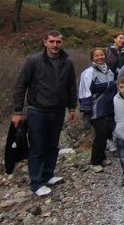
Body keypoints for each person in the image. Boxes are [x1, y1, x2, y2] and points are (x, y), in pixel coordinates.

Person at [11, 30, 77, 197]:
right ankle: (36, 182)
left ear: (62, 43)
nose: (55, 45)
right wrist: (18, 111)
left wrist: (72, 107)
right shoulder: (33, 61)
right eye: (52, 41)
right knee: (38, 147)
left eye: (58, 42)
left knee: (52, 145)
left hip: (58, 110)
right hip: (37, 111)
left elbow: (71, 86)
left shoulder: (67, 62)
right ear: (45, 42)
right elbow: (21, 86)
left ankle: (48, 175)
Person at [79, 47, 115, 172]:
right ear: (92, 58)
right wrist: (86, 110)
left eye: (101, 55)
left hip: (107, 108)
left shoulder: (110, 72)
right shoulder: (88, 73)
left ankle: (102, 156)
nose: (100, 57)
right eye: (96, 56)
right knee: (100, 134)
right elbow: (84, 91)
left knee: (105, 134)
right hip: (95, 109)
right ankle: (95, 161)